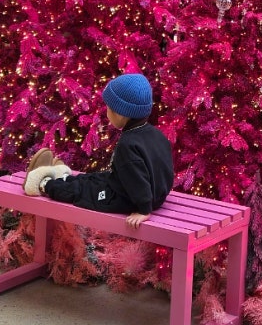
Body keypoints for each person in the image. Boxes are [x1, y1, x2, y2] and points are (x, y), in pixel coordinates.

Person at [23, 73, 173, 230]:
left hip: (127, 199)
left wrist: (144, 209)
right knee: (93, 179)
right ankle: (62, 176)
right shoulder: (155, 134)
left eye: (109, 108)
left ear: (120, 113)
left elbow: (138, 179)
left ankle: (42, 183)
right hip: (149, 194)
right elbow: (165, 170)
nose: (107, 113)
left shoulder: (128, 145)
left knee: (82, 192)